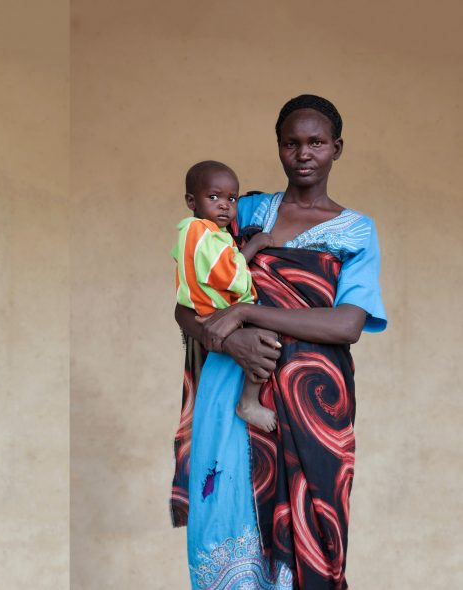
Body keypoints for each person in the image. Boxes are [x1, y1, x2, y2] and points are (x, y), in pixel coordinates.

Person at [172, 94, 386, 589]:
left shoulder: (356, 231)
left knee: (308, 549)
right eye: (292, 143)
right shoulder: (241, 211)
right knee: (225, 536)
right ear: (279, 148)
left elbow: (347, 324)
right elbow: (187, 305)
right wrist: (229, 342)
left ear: (337, 148)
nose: (304, 153)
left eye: (316, 142)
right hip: (229, 398)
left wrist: (247, 311)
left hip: (313, 407)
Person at [172, 160, 277, 432]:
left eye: (231, 198)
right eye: (214, 197)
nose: (225, 205)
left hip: (206, 311)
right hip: (215, 312)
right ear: (191, 200)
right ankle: (248, 402)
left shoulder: (203, 233)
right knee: (269, 336)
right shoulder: (202, 232)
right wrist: (255, 246)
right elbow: (228, 274)